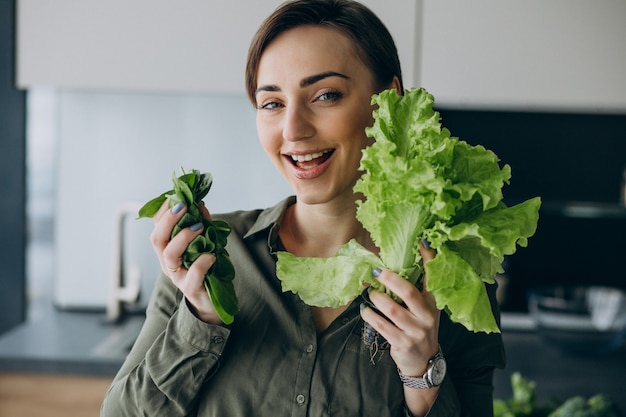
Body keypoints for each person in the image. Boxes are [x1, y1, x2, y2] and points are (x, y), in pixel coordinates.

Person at [100, 1, 505, 416]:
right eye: (272, 103)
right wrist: (202, 318)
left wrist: (423, 377)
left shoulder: (451, 276)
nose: (293, 129)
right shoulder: (209, 261)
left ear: (388, 100)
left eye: (326, 95)